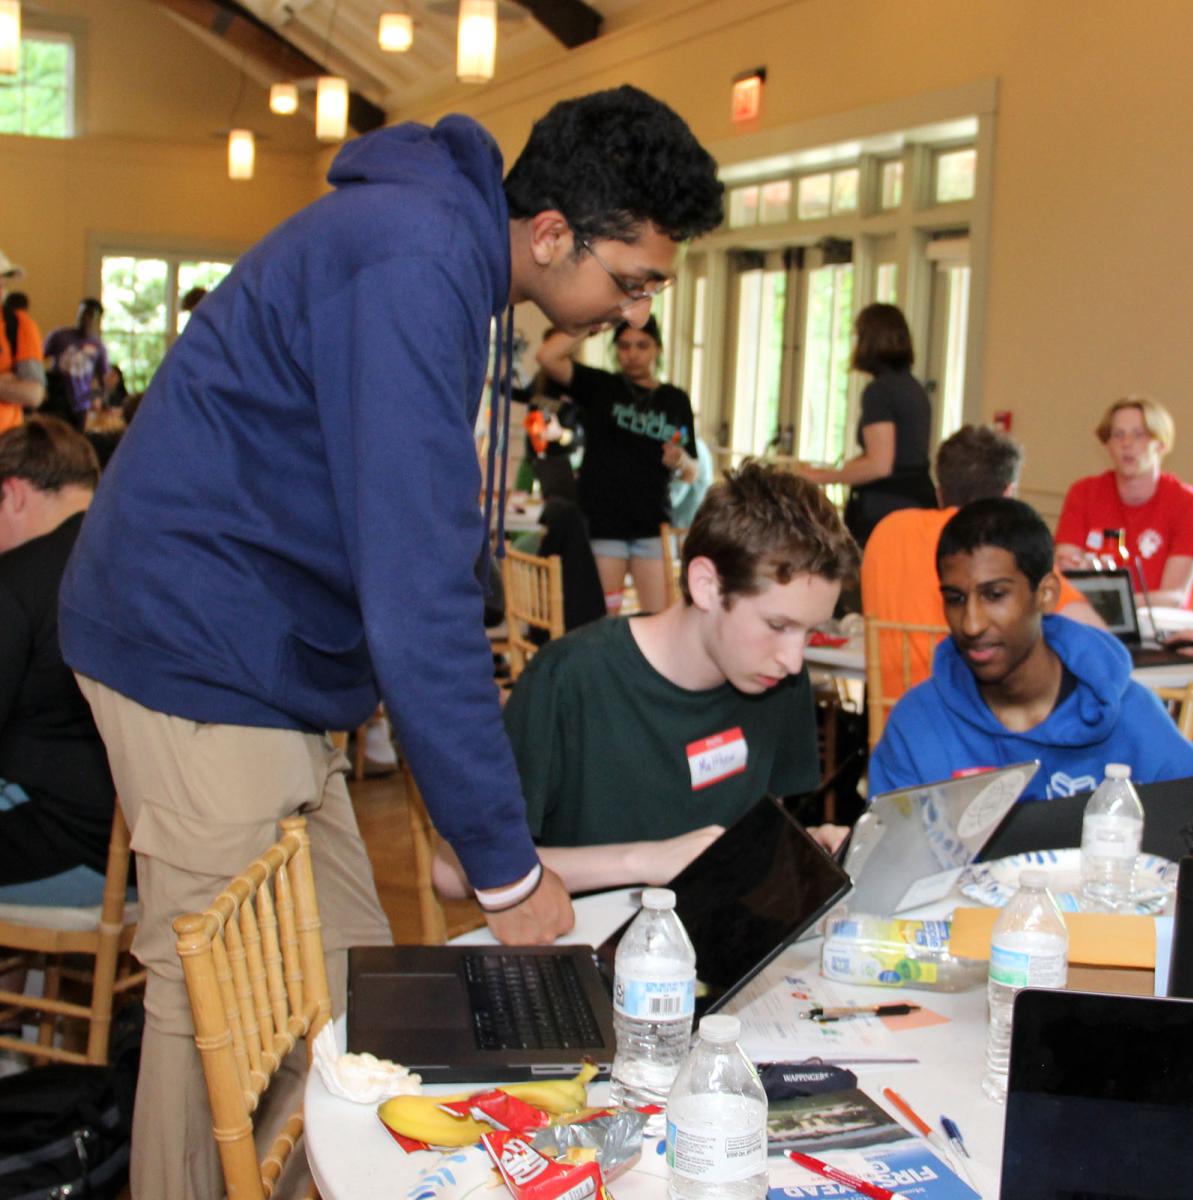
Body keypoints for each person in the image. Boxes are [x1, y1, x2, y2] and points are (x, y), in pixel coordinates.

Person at [57, 87, 723, 1200]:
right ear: (551, 232)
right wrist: (509, 877)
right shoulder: (416, 258)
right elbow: (413, 598)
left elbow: (424, 541)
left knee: (357, 996)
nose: (629, 307)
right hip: (191, 645)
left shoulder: (447, 255)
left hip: (265, 658)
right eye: (631, 279)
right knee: (218, 1009)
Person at [435, 463, 859, 896]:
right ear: (707, 585)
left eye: (809, 632)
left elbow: (757, 838)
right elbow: (452, 874)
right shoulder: (568, 680)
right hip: (590, 947)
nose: (793, 660)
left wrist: (802, 848)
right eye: (777, 625)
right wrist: (644, 860)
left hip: (715, 947)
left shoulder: (778, 682)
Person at [870, 497, 1193, 801]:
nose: (971, 624)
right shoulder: (916, 725)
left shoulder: (1129, 717)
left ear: (1045, 594)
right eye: (955, 599)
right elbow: (889, 862)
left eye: (995, 595)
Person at [861, 424, 1104, 700]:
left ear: (940, 492)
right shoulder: (1003, 545)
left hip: (897, 728)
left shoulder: (887, 531)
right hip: (984, 732)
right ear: (1009, 496)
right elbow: (1098, 642)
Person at [0, 417, 115, 905]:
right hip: (151, 852)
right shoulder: (140, 554)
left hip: (70, 845)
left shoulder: (21, 577)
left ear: (14, 494)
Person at [536, 315, 697, 614]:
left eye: (641, 345)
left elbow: (691, 473)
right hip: (603, 526)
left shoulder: (675, 400)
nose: (632, 354)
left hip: (652, 524)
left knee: (661, 620)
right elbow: (547, 356)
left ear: (657, 348)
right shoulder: (600, 386)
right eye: (623, 346)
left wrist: (680, 459)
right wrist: (598, 321)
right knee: (601, 622)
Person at [1055, 396, 1193, 606]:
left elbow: (1174, 597)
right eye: (1117, 435)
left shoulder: (1191, 504)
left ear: (1161, 445)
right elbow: (1066, 571)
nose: (1126, 444)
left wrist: (1113, 603)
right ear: (1108, 446)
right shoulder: (1083, 493)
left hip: (1156, 630)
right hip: (1091, 619)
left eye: (1139, 435)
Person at [797, 303, 936, 545]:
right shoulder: (914, 387)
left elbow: (880, 464)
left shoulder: (879, 391)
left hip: (887, 507)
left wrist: (822, 477)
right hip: (918, 499)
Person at [43, 298, 109, 423]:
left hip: (80, 405)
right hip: (58, 400)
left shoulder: (99, 347)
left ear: (96, 320)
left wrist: (95, 398)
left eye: (90, 315)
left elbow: (103, 381)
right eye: (82, 314)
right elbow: (38, 359)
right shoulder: (59, 336)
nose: (85, 319)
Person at [0, 251, 44, 434]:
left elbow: (33, 394)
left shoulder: (18, 325)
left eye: (3, 283)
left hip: (5, 447)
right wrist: (7, 384)